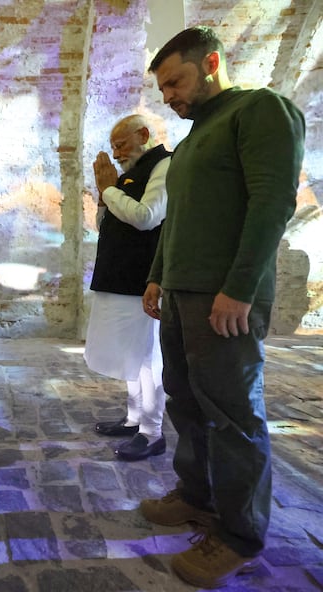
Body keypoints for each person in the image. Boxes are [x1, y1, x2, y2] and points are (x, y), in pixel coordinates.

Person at [140, 26, 305, 589]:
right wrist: (158, 276)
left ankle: (240, 534)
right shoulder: (192, 141)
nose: (169, 96)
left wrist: (239, 287)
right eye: (163, 88)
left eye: (175, 82)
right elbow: (178, 219)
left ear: (210, 62)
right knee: (185, 400)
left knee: (233, 413)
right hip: (183, 295)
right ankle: (196, 496)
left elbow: (272, 202)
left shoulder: (260, 111)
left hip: (225, 298)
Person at [84, 114, 170, 461]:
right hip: (119, 277)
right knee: (130, 355)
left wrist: (109, 189)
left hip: (144, 279)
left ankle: (152, 432)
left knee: (149, 358)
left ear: (144, 135)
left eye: (121, 144)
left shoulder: (164, 165)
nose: (116, 153)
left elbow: (148, 216)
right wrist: (105, 198)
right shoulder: (128, 175)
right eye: (114, 146)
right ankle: (135, 418)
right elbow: (106, 224)